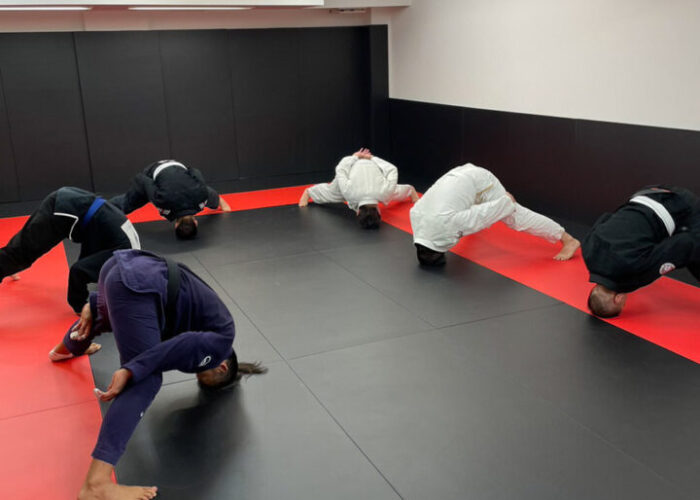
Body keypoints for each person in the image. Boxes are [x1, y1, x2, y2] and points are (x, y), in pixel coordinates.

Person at [49, 249, 265, 500]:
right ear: (221, 367)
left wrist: (97, 304)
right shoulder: (220, 344)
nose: (194, 370)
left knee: (115, 317)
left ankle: (62, 350)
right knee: (146, 380)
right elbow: (183, 346)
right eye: (201, 373)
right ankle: (96, 485)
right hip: (135, 286)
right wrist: (132, 368)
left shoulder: (210, 320)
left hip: (121, 269)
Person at [0, 187, 140, 313]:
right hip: (64, 212)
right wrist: (82, 307)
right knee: (19, 256)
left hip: (72, 201)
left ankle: (10, 263)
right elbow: (78, 270)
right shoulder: (121, 256)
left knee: (19, 252)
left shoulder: (129, 249)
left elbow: (88, 254)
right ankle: (9, 263)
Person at [410, 164, 580, 266]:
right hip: (459, 175)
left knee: (515, 217)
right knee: (463, 215)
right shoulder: (415, 214)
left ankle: (568, 240)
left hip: (480, 181)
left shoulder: (448, 225)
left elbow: (481, 216)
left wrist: (505, 203)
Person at [582, 185, 699, 318]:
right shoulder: (588, 252)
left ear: (618, 299)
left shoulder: (634, 272)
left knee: (693, 247)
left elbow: (685, 244)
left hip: (679, 204)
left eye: (622, 304)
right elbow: (606, 218)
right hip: (647, 194)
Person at [110, 159, 232, 239]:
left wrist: (224, 206)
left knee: (201, 192)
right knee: (129, 203)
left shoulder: (201, 197)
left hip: (179, 167)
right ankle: (105, 208)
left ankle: (220, 202)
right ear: (176, 225)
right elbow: (143, 180)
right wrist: (138, 192)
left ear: (196, 222)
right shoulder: (163, 202)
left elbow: (195, 171)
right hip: (155, 169)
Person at [298, 148, 419, 229]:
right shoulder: (351, 193)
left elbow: (392, 170)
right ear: (358, 212)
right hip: (357, 167)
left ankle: (411, 190)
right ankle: (308, 192)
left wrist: (362, 157)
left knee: (392, 192)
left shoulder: (385, 193)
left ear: (379, 213)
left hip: (366, 165)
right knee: (333, 193)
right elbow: (340, 170)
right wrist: (358, 158)